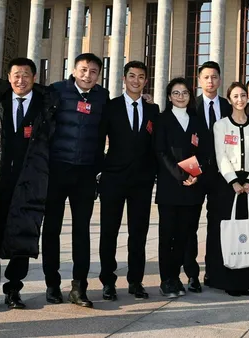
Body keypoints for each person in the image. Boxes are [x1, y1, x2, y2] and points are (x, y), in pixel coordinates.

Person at [0, 58, 53, 311]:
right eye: (16, 75)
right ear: (9, 77)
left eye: (26, 75)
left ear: (34, 78)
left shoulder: (44, 106)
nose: (20, 80)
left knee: (22, 236)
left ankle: (14, 289)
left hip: (27, 181)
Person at [42, 53, 110, 308]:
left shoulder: (102, 97)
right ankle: (52, 284)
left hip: (85, 174)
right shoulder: (56, 91)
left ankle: (79, 287)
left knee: (82, 231)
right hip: (57, 170)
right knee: (52, 229)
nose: (87, 75)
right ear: (73, 69)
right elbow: (25, 92)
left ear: (98, 75)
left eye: (93, 71)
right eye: (83, 69)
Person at [97, 61, 158, 301]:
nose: (136, 80)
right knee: (108, 232)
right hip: (113, 178)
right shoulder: (110, 107)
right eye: (131, 76)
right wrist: (99, 172)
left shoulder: (152, 109)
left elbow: (155, 146)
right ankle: (108, 281)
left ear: (145, 81)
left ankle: (136, 280)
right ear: (124, 79)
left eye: (141, 77)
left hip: (142, 182)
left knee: (138, 233)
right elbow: (99, 140)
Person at [155, 77, 208, 299]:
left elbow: (204, 150)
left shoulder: (196, 121)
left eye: (184, 92)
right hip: (170, 187)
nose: (180, 97)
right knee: (168, 235)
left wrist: (194, 175)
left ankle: (177, 275)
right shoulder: (162, 120)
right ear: (169, 97)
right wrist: (180, 174)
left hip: (192, 188)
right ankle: (166, 278)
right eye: (176, 93)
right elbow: (160, 152)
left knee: (186, 234)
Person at [210, 82, 249, 296]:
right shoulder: (221, 125)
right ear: (229, 99)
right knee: (227, 231)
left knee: (247, 231)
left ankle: (246, 279)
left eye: (244, 95)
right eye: (236, 96)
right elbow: (220, 154)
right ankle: (227, 280)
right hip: (227, 184)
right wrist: (232, 181)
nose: (240, 99)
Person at [187, 61, 232, 292]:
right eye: (206, 77)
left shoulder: (227, 106)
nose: (211, 81)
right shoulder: (189, 105)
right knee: (190, 226)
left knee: (218, 225)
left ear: (219, 80)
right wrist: (193, 172)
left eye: (214, 77)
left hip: (221, 176)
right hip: (196, 175)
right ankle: (192, 274)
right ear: (199, 80)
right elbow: (184, 143)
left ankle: (215, 271)